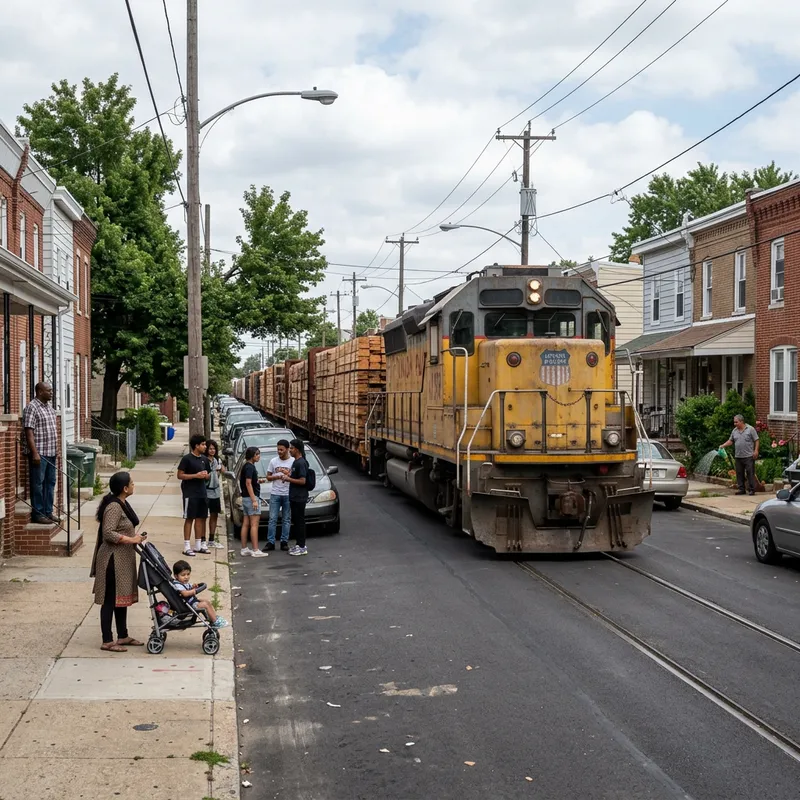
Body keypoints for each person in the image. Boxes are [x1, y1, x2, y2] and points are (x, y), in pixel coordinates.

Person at [90, 472, 146, 652]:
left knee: (121, 598)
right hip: (112, 560)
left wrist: (136, 538)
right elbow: (108, 533)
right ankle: (107, 640)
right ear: (124, 488)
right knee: (110, 599)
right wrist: (132, 540)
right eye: (131, 482)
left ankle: (122, 635)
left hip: (122, 559)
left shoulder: (122, 503)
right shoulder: (114, 507)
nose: (133, 485)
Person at [23, 382, 59, 524]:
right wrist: (35, 453)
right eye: (48, 390)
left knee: (50, 483)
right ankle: (38, 513)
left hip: (51, 452)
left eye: (51, 390)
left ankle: (48, 512)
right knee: (38, 484)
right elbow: (29, 432)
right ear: (39, 391)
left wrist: (57, 451)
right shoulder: (32, 407)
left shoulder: (49, 408)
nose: (51, 392)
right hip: (40, 453)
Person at [177, 434, 210, 556]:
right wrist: (195, 475)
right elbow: (180, 475)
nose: (205, 446)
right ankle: (186, 545)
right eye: (203, 444)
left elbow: (208, 474)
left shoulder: (204, 459)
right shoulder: (187, 459)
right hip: (190, 493)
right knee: (189, 518)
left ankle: (198, 544)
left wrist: (206, 475)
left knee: (201, 518)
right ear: (196, 446)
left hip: (202, 492)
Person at [171, 560, 228, 628]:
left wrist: (193, 586)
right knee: (205, 604)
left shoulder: (182, 583)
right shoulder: (177, 584)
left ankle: (213, 617)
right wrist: (194, 591)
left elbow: (188, 587)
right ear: (176, 576)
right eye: (183, 575)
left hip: (190, 602)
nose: (186, 577)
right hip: (187, 605)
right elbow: (184, 593)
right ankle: (215, 621)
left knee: (206, 601)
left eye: (188, 574)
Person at [264, 439, 294, 551]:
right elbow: (268, 476)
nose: (279, 452)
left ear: (287, 449)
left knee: (286, 519)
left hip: (287, 493)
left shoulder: (293, 461)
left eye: (281, 450)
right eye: (278, 450)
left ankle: (284, 541)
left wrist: (287, 475)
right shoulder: (273, 461)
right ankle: (270, 542)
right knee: (272, 519)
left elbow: (295, 477)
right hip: (275, 493)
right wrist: (276, 476)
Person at [720, 414, 760, 496]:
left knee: (750, 473)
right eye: (734, 422)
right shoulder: (734, 431)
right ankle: (741, 489)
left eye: (736, 422)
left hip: (748, 456)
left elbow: (756, 440)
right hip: (738, 456)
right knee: (739, 473)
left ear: (741, 421)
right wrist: (723, 445)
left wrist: (756, 451)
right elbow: (731, 441)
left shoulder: (750, 429)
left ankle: (752, 489)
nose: (735, 424)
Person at [240, 447, 268, 557]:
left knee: (246, 524)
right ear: (252, 455)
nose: (258, 456)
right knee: (254, 524)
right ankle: (255, 549)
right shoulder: (250, 467)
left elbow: (249, 481)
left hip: (245, 498)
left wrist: (257, 481)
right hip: (251, 498)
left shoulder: (246, 466)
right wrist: (254, 500)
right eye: (257, 454)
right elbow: (248, 483)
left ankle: (244, 548)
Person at [284, 439, 309, 556]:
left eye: (291, 448)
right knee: (296, 521)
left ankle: (302, 546)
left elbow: (302, 481)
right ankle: (298, 544)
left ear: (297, 450)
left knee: (300, 522)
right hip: (294, 496)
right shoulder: (295, 462)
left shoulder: (301, 463)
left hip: (300, 497)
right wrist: (289, 474)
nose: (290, 450)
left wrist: (288, 479)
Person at [205, 440, 226, 549]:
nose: (212, 450)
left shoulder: (217, 460)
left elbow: (224, 471)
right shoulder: (203, 461)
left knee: (214, 515)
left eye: (214, 449)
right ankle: (202, 540)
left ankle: (211, 539)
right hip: (206, 490)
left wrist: (221, 468)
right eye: (210, 448)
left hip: (215, 491)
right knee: (203, 516)